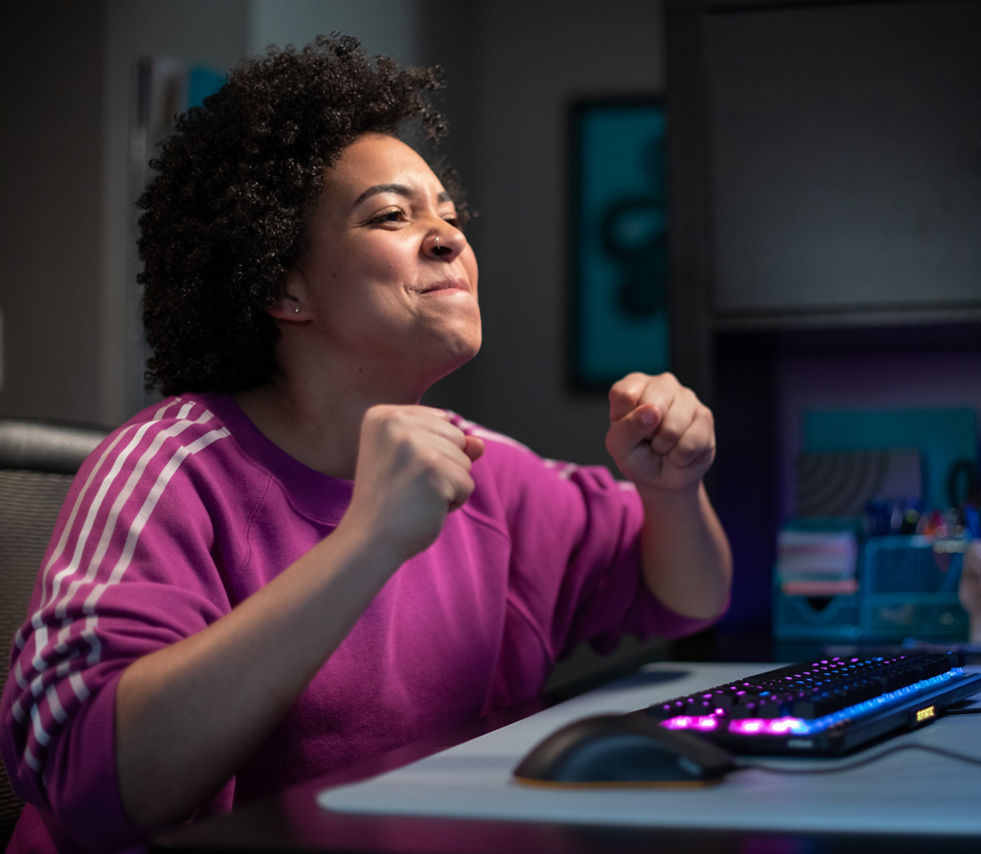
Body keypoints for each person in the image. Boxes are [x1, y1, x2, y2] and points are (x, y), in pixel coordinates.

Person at [0, 34, 731, 853]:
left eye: (448, 215)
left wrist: (674, 489)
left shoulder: (487, 470)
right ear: (285, 286)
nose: (449, 236)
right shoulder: (167, 467)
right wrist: (369, 539)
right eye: (392, 215)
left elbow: (686, 595)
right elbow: (90, 779)